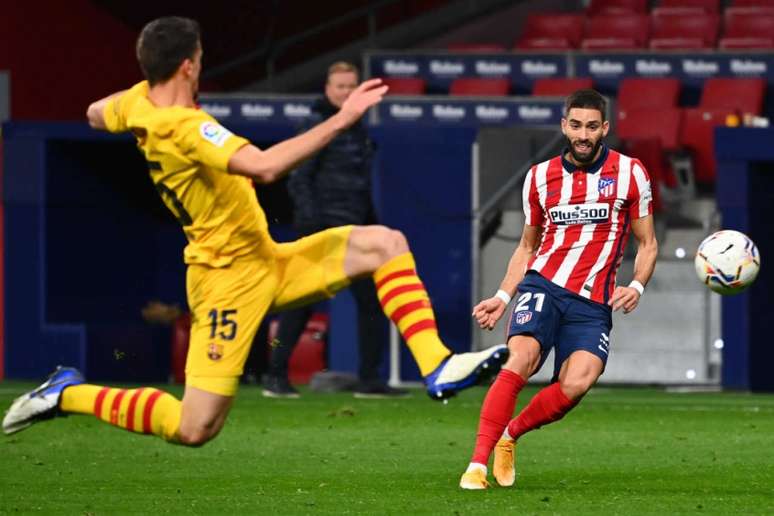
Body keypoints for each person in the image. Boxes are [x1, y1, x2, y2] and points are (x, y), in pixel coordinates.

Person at [2, 16, 507, 445]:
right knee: (195, 426)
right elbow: (264, 166)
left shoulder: (137, 102)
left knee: (385, 242)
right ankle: (68, 392)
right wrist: (342, 117)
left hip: (267, 258)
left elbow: (94, 113)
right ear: (188, 65)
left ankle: (438, 365)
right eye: (198, 59)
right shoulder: (183, 126)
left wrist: (132, 106)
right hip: (226, 282)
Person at [458, 89, 658, 489]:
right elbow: (527, 246)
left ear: (604, 128)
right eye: (576, 125)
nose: (583, 135)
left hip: (593, 301)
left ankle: (509, 436)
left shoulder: (630, 172)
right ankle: (476, 465)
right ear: (564, 126)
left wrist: (636, 284)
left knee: (577, 382)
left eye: (591, 127)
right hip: (543, 284)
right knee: (521, 358)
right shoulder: (538, 178)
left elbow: (648, 243)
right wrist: (502, 296)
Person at [263, 61, 404, 399]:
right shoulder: (316, 126)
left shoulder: (358, 129)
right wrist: (312, 228)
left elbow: (360, 187)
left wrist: (372, 224)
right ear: (327, 89)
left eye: (350, 87)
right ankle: (275, 377)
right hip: (322, 231)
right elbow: (299, 178)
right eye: (339, 86)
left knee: (372, 301)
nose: (345, 92)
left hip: (355, 231)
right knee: (300, 302)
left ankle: (369, 380)